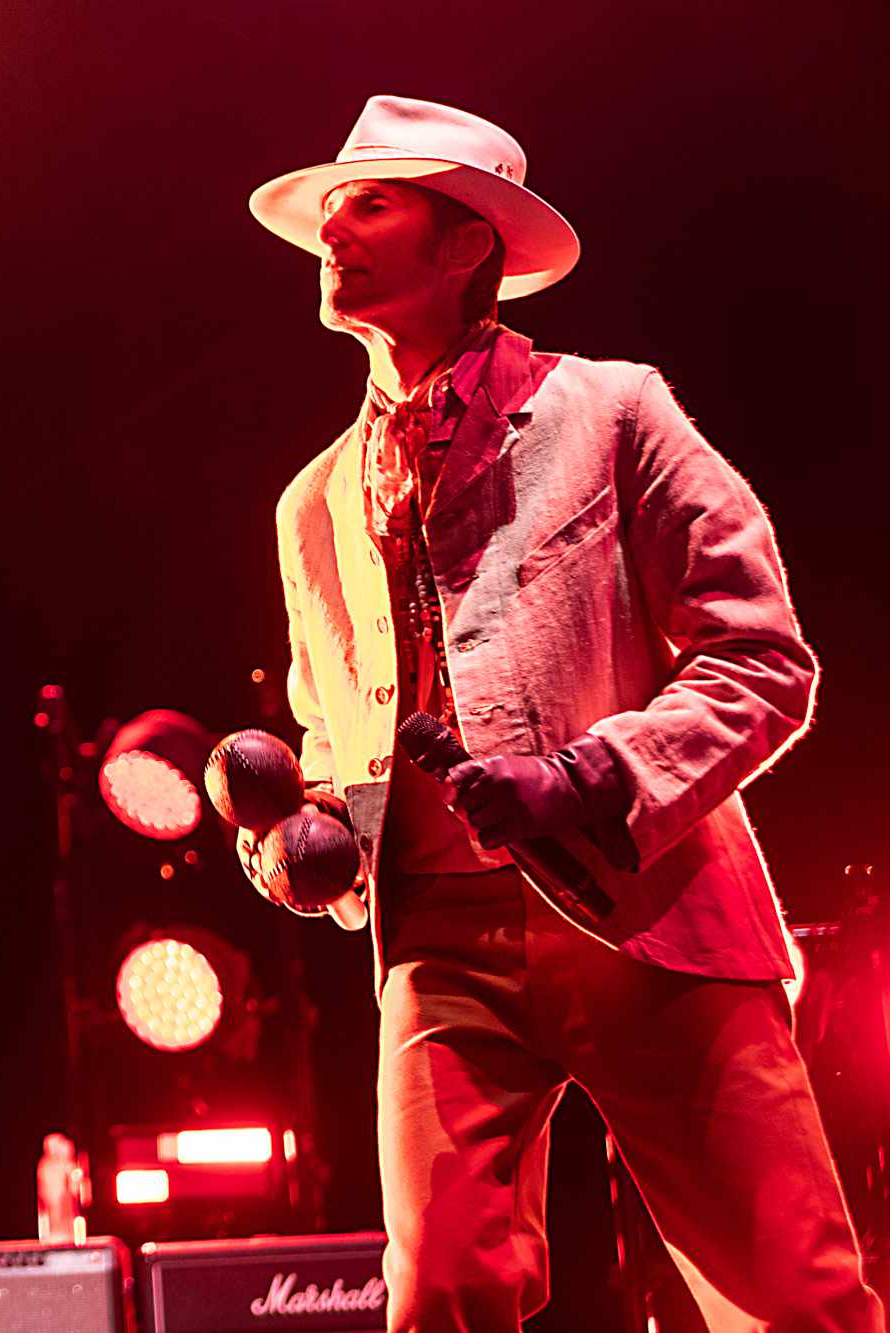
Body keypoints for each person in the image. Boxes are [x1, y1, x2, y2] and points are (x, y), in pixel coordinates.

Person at [239, 94, 883, 1330]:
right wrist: (297, 838)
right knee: (436, 1294)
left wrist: (589, 776)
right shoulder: (309, 502)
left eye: (367, 204)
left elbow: (762, 658)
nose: (333, 231)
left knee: (792, 1298)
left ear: (467, 242)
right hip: (437, 945)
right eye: (329, 211)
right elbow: (334, 738)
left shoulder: (611, 411)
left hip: (650, 916)